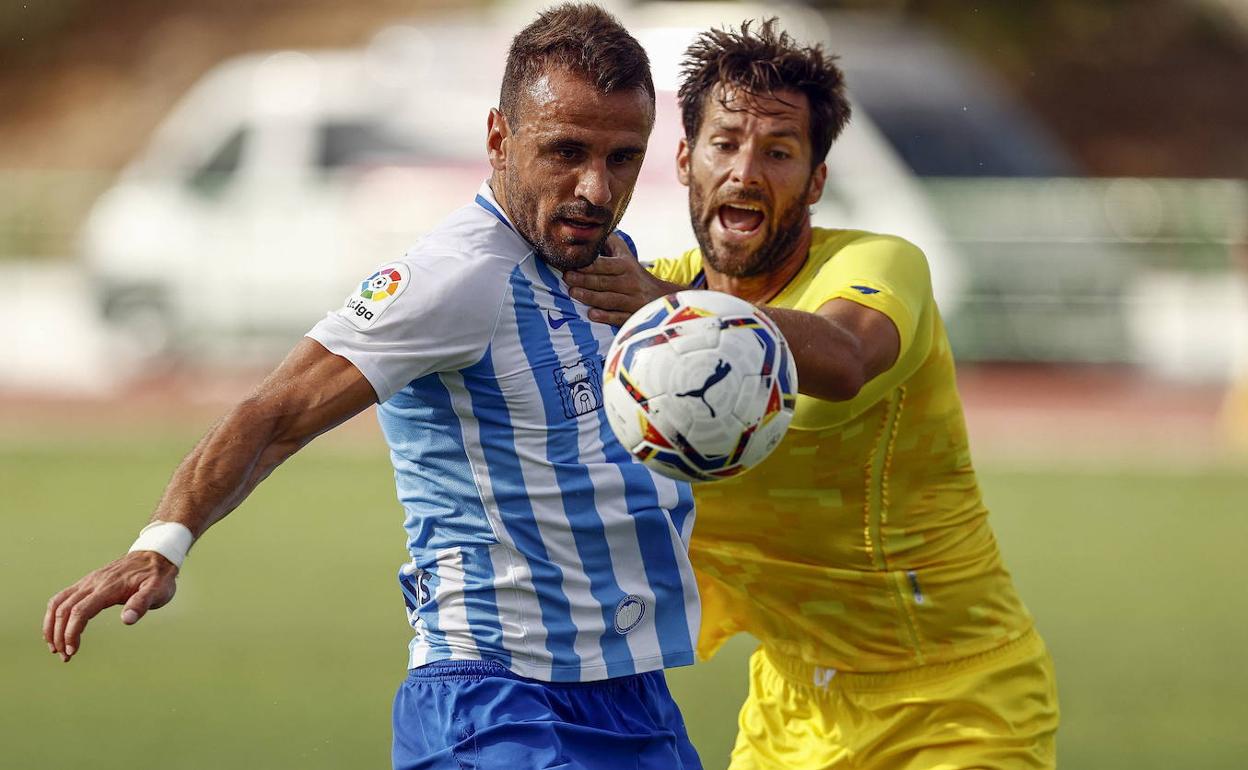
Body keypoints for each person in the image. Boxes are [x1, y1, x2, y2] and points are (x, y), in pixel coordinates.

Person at [43, 5, 704, 768]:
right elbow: (277, 412)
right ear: (498, 138)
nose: (595, 186)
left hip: (630, 692)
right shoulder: (452, 280)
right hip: (497, 700)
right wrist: (161, 544)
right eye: (566, 151)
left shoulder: (608, 258)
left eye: (624, 158)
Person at [565, 18, 1059, 770]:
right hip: (792, 715)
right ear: (686, 159)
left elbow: (848, 355)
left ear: (817, 179)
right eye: (725, 144)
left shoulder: (878, 264)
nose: (746, 170)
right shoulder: (646, 305)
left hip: (958, 701)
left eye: (780, 151)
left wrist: (668, 308)